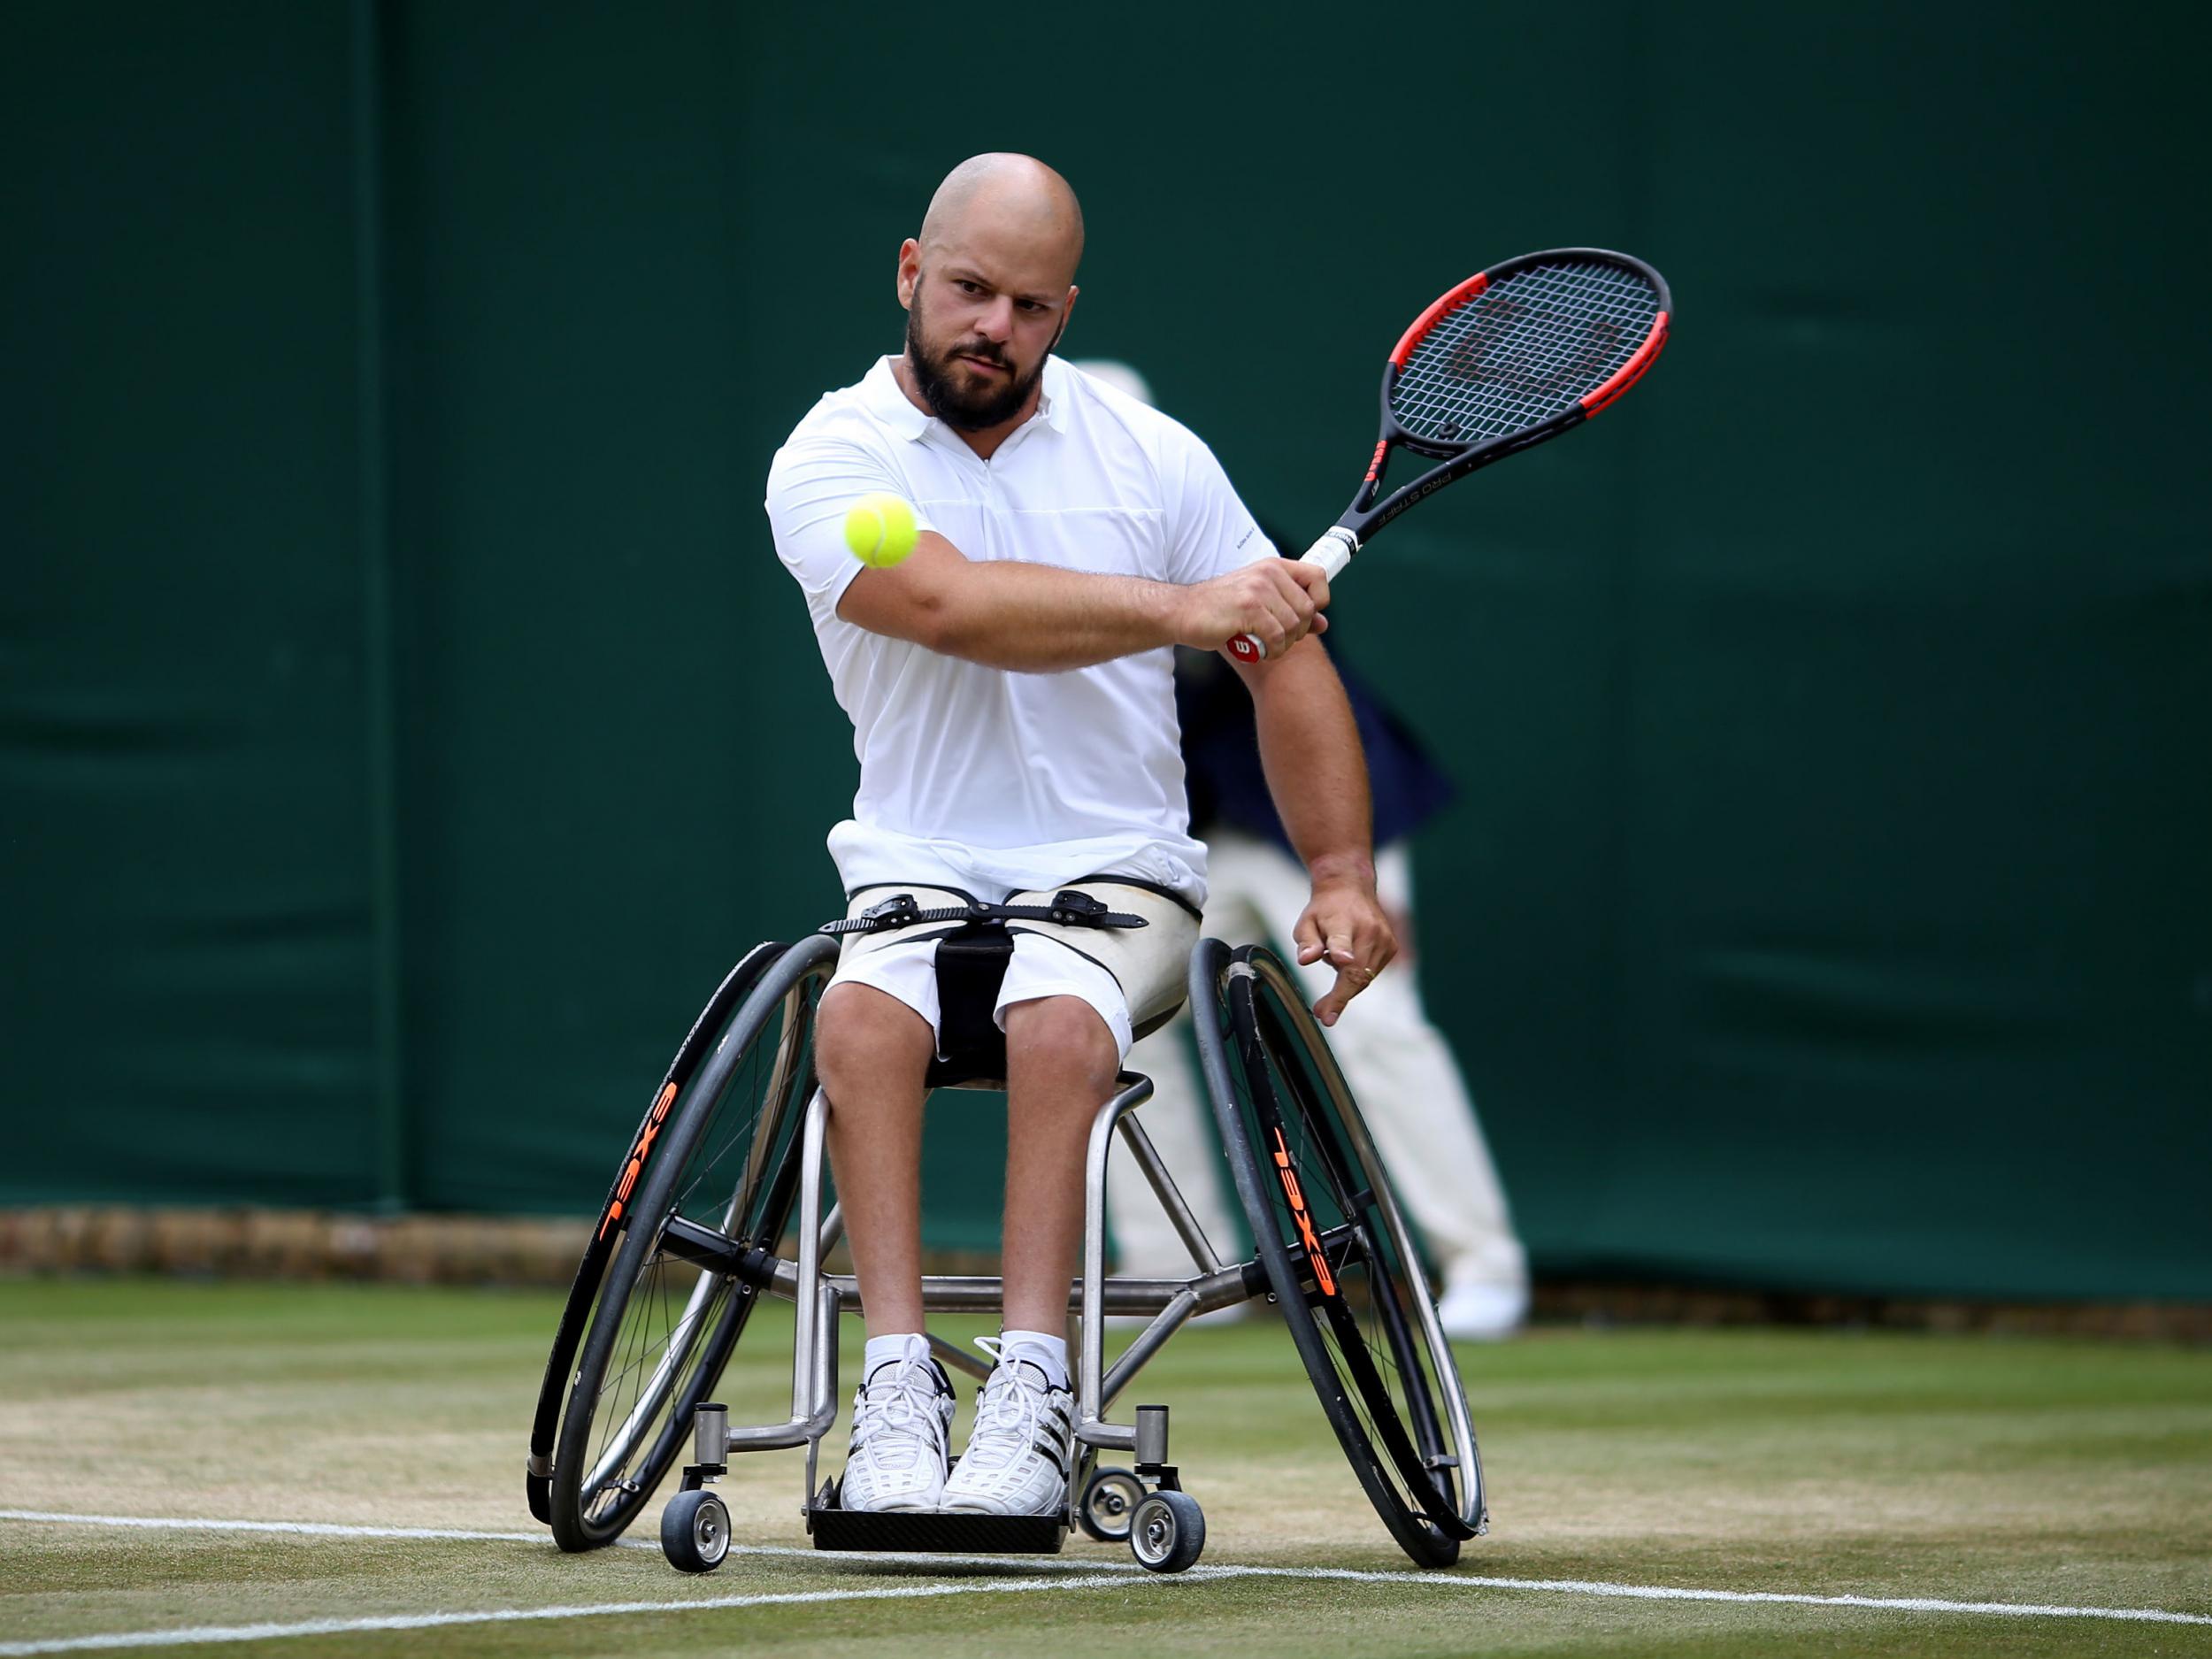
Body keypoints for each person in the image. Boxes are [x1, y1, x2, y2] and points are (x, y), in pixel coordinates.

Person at [763, 154, 1393, 1517]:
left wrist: (1341, 869)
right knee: (861, 1020)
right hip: (914, 857)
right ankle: (893, 1387)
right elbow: (948, 607)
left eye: (1030, 305)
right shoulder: (832, 455)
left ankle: (1035, 1386)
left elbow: (1286, 662)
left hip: (1119, 871)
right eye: (972, 289)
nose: (994, 325)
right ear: (911, 275)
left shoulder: (1152, 457)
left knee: (1060, 1016)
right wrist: (1187, 609)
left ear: (1065, 310)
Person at [1071, 365, 1530, 1343]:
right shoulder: (1041, 544)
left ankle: (1481, 1266)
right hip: (1174, 830)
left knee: (1378, 1028)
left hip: (1307, 822)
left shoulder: (1206, 517)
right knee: (1116, 1029)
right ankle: (1169, 1265)